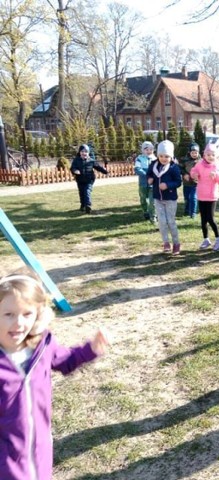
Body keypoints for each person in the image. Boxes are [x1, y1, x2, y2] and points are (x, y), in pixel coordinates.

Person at [0, 271, 109, 479]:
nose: (19, 323)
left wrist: (90, 349)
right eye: (8, 314)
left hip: (39, 451)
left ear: (38, 315)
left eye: (27, 314)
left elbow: (66, 360)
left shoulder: (42, 345)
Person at [147, 140, 182, 255]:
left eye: (166, 156)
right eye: (161, 156)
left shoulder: (174, 167)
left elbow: (178, 182)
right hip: (157, 198)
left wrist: (167, 185)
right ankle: (166, 242)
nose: (163, 158)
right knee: (162, 222)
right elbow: (149, 173)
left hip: (170, 199)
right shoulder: (153, 165)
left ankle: (176, 243)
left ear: (171, 156)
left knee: (171, 221)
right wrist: (150, 179)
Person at [189, 143, 219, 251]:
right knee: (203, 219)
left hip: (211, 196)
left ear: (216, 156)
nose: (210, 157)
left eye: (213, 155)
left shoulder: (216, 166)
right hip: (201, 195)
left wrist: (216, 176)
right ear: (204, 155)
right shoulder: (200, 164)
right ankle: (206, 239)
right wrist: (194, 174)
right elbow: (193, 171)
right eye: (208, 154)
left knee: (210, 218)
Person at [70, 144, 108, 214]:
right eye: (82, 151)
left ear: (88, 153)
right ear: (79, 152)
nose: (84, 153)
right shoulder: (76, 160)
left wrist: (105, 171)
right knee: (81, 193)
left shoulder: (91, 161)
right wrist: (75, 171)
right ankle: (83, 205)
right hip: (80, 180)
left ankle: (88, 205)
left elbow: (98, 167)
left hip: (89, 180)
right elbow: (72, 168)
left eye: (86, 151)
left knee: (87, 191)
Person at [134, 141, 156, 223]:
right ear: (143, 150)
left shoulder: (155, 159)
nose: (149, 151)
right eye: (146, 149)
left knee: (152, 201)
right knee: (143, 199)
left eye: (151, 149)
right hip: (143, 183)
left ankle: (153, 216)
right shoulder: (139, 159)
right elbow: (137, 169)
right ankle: (145, 211)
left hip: (153, 184)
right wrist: (147, 174)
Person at [179, 143, 200, 218]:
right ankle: (187, 210)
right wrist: (184, 174)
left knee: (193, 197)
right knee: (187, 198)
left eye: (196, 153)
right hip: (186, 183)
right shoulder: (185, 160)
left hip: (196, 183)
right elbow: (180, 168)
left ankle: (193, 213)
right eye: (193, 153)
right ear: (189, 152)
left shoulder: (200, 161)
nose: (194, 154)